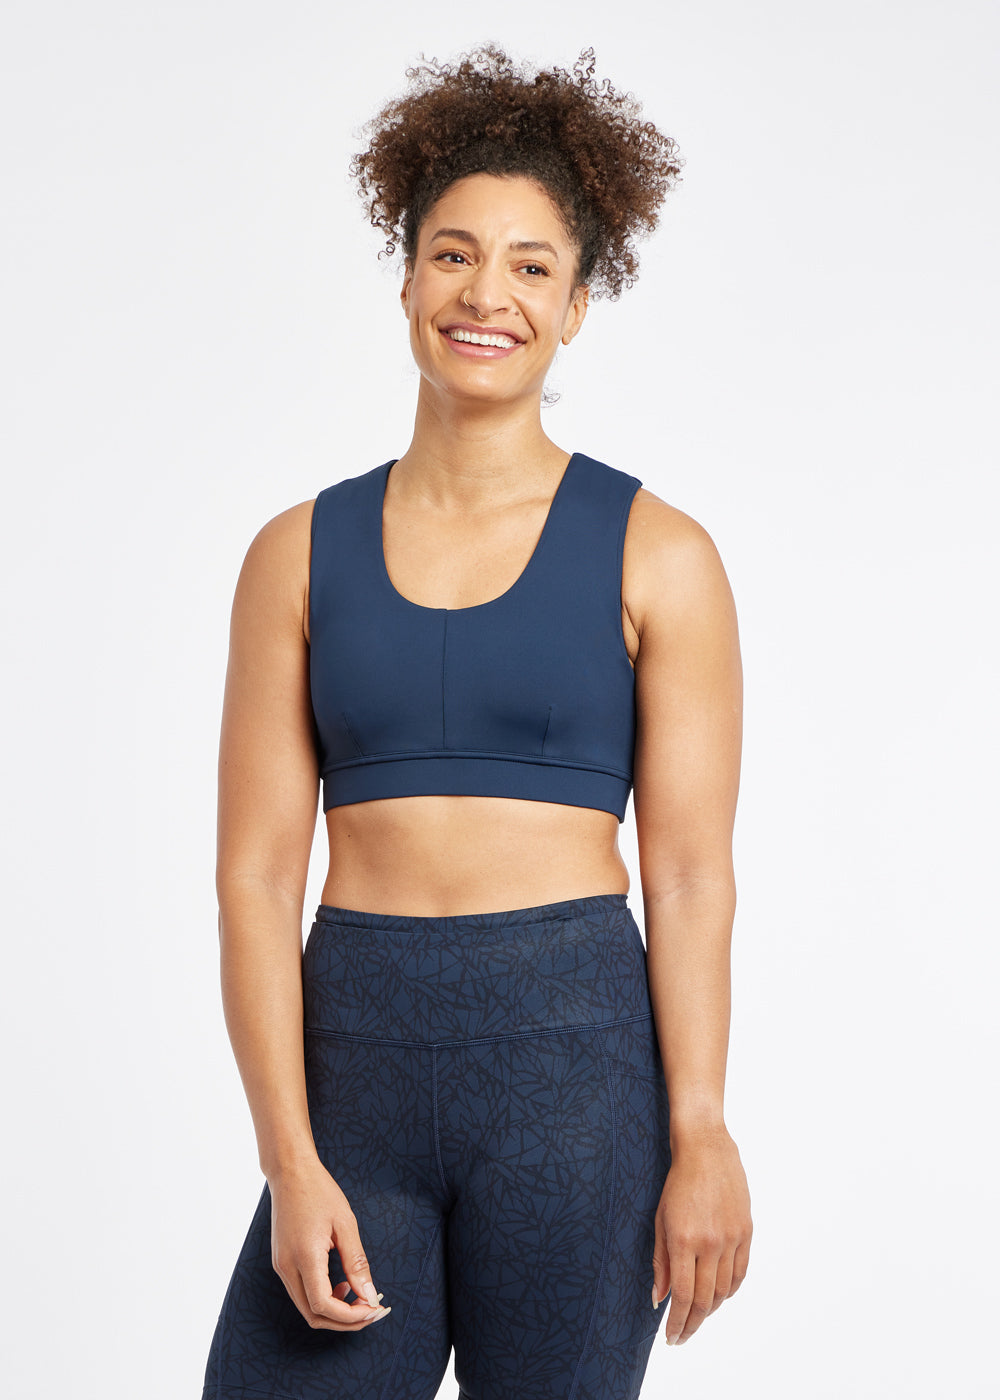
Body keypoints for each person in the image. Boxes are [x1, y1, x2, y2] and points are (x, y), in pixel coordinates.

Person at [200, 43, 752, 1400]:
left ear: (575, 308)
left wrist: (702, 1133)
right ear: (405, 280)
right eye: (452, 255)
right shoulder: (295, 554)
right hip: (355, 1071)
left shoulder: (661, 554)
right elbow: (256, 876)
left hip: (578, 1076)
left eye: (529, 266)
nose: (485, 294)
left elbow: (690, 875)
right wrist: (288, 1159)